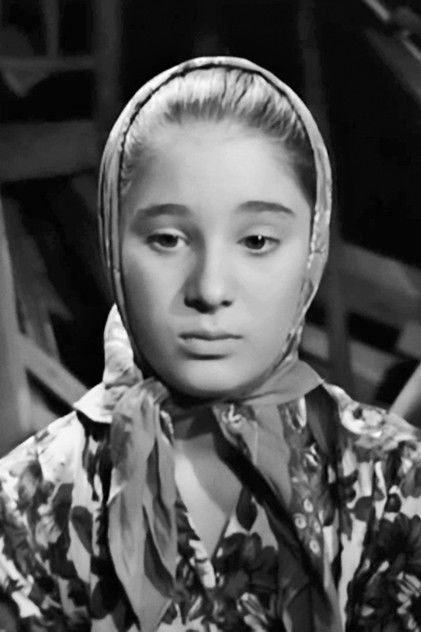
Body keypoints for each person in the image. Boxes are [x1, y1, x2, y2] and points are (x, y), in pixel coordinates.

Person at [1, 56, 421, 632]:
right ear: (113, 244)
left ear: (312, 247)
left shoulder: (392, 482)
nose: (210, 288)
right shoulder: (36, 497)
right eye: (167, 239)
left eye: (257, 241)